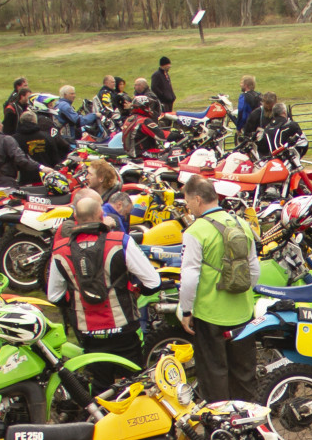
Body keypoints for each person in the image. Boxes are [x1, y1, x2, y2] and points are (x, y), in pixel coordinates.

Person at [46, 190, 160, 365]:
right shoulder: (120, 241)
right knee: (134, 384)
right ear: (101, 215)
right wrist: (135, 292)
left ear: (75, 215)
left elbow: (54, 295)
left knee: (99, 385)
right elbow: (153, 282)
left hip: (87, 330)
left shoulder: (60, 249)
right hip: (124, 326)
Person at [177, 174, 260, 404]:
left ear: (197, 200)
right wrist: (244, 293)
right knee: (244, 375)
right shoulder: (242, 223)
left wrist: (186, 310)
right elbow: (254, 269)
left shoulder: (195, 231)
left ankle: (219, 430)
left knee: (214, 376)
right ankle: (248, 425)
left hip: (210, 315)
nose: (188, 207)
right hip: (243, 313)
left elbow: (190, 276)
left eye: (187, 202)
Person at [235, 76, 264, 142]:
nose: (240, 85)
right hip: (260, 124)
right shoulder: (259, 95)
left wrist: (238, 128)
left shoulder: (243, 96)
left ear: (246, 85)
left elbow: (241, 113)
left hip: (249, 126)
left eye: (242, 83)